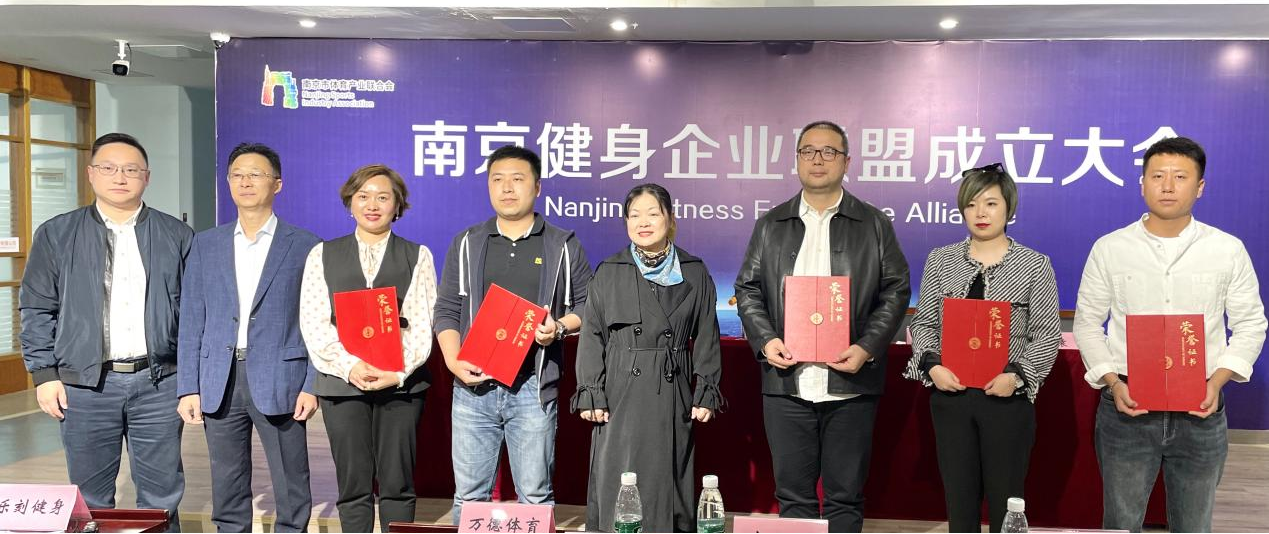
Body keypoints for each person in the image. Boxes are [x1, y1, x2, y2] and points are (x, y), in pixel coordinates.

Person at [1073, 137, 1265, 533]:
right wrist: (1112, 382)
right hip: (1127, 408)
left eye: (1180, 177)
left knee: (1194, 524)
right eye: (1158, 176)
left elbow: (1250, 324)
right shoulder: (1110, 248)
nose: (1167, 186)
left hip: (1200, 409)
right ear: (1142, 183)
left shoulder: (1227, 250)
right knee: (1120, 522)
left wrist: (1216, 382)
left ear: (1200, 187)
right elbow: (1088, 323)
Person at [734, 120, 911, 533]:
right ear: (796, 160)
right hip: (786, 382)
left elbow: (897, 290)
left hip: (851, 382)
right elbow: (747, 289)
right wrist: (766, 340)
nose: (818, 159)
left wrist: (867, 347)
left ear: (847, 162)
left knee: (844, 497)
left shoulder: (873, 223)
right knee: (792, 495)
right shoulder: (771, 224)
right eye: (808, 151)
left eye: (829, 151)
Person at [19, 132, 193, 530]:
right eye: (109, 168)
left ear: (147, 177)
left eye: (131, 169)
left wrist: (190, 381)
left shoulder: (176, 235)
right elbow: (37, 307)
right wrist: (44, 375)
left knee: (161, 495)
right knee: (90, 498)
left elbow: (193, 312)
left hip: (160, 382)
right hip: (84, 385)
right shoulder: (57, 234)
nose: (120, 177)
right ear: (91, 174)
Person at [433, 144, 592, 523]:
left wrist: (558, 328)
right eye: (497, 179)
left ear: (537, 187)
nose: (506, 188)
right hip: (473, 387)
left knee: (535, 497)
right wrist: (454, 361)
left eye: (517, 179)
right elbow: (447, 309)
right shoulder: (468, 242)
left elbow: (589, 306)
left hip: (533, 388)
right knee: (468, 497)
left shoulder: (562, 244)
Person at [901, 163, 1061, 533]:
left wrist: (1015, 377)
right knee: (959, 500)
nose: (981, 213)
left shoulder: (1034, 265)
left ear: (1008, 208)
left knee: (1007, 500)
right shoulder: (941, 259)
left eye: (991, 203)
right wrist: (933, 366)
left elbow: (1046, 334)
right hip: (951, 396)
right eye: (971, 204)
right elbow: (924, 324)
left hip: (1006, 399)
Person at [176, 143, 321, 532]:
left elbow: (318, 321)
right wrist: (188, 386)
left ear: (277, 184)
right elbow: (192, 318)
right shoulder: (206, 244)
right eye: (237, 174)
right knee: (227, 483)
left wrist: (312, 384)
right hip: (219, 378)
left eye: (256, 174)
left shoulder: (305, 245)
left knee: (291, 481)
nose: (245, 182)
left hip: (282, 376)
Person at [573, 183, 725, 533]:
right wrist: (591, 392)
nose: (643, 222)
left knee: (670, 480)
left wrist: (706, 389)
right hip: (621, 390)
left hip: (673, 387)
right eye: (634, 215)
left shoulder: (694, 270)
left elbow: (707, 333)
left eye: (653, 214)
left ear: (670, 219)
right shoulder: (610, 270)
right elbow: (592, 334)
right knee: (620, 476)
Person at [298, 164, 438, 533]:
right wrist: (350, 367)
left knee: (398, 483)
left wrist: (397, 372)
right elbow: (314, 322)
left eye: (382, 197)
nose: (372, 205)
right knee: (353, 486)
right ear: (350, 202)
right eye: (363, 196)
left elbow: (422, 321)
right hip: (342, 384)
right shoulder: (322, 254)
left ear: (397, 205)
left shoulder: (417, 255)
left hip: (401, 385)